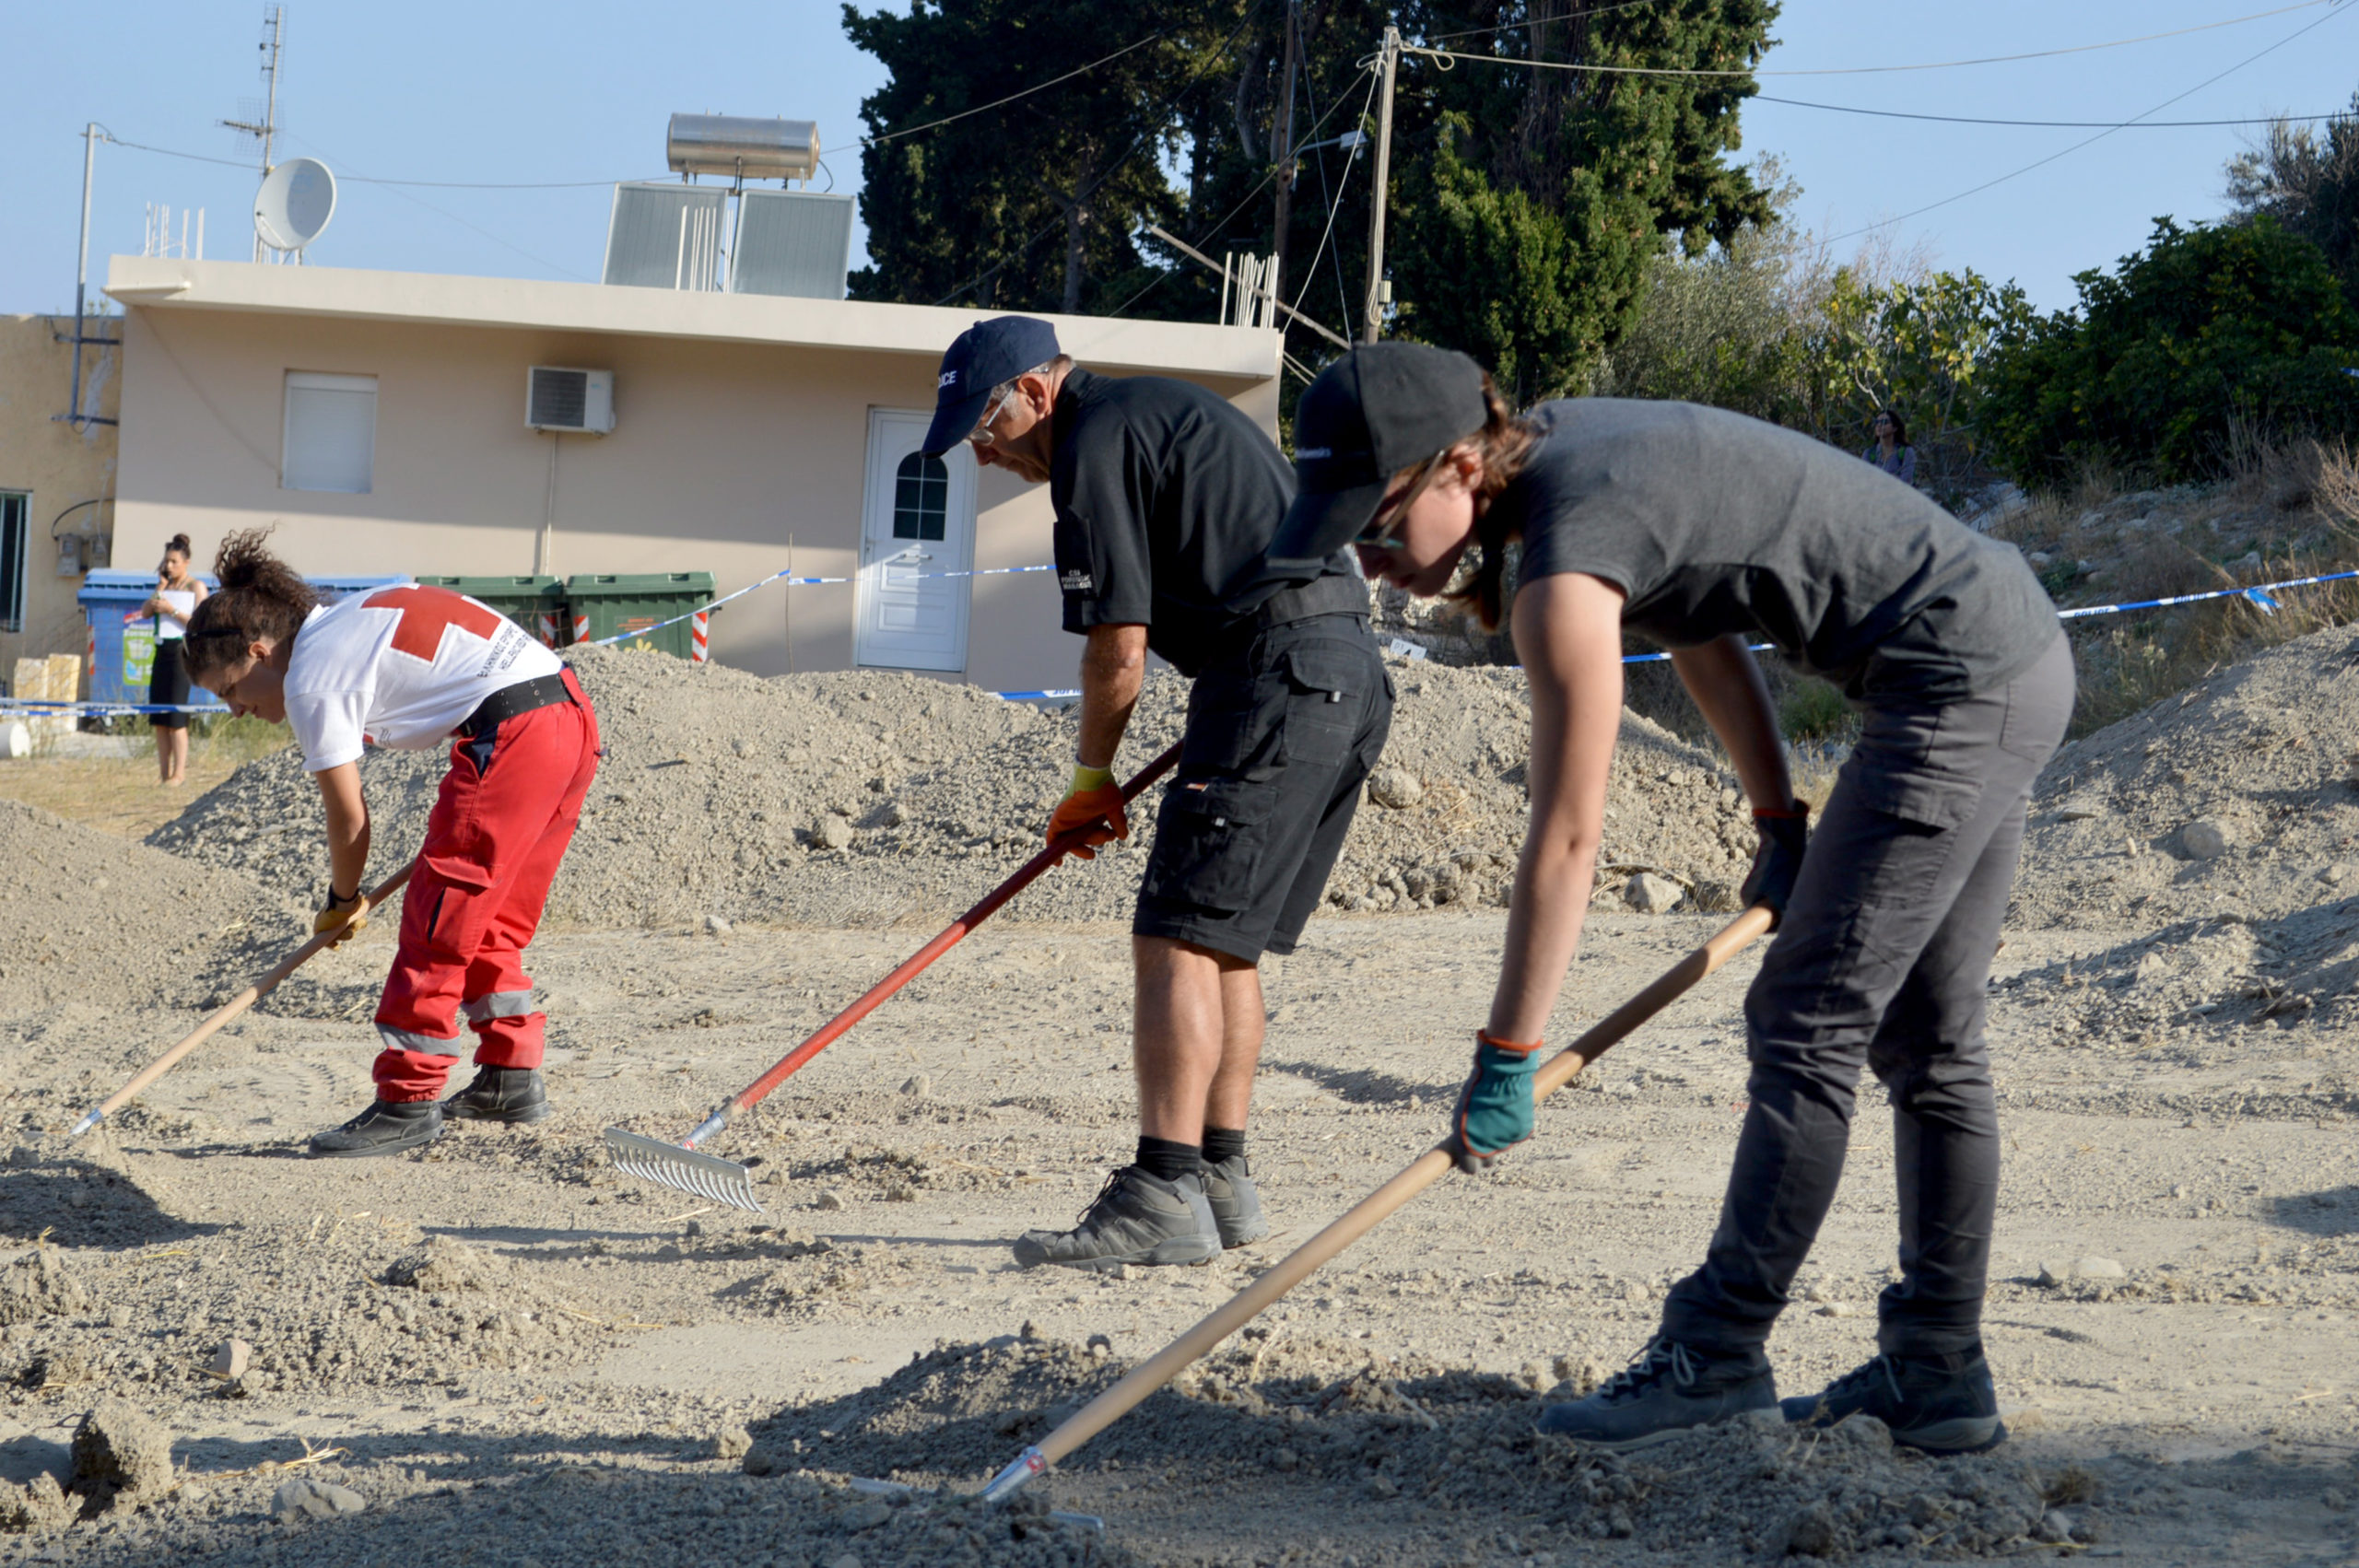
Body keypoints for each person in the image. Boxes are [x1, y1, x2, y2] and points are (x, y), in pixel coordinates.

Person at [1273, 344, 2071, 1455]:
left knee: (1806, 1023)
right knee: (1930, 1037)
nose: (1368, 562)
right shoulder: (1568, 462)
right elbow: (1699, 620)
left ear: (1458, 464)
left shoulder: (1565, 555)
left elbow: (1567, 833)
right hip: (2004, 649)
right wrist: (1775, 818)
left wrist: (1510, 1048)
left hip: (1951, 682)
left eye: (1376, 522)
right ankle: (1937, 1370)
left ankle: (1716, 1351)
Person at [920, 315, 1391, 1269]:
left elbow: (1117, 649)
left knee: (1174, 933)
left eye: (986, 426)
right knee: (1223, 944)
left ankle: (1163, 1188)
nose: (984, 452)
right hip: (1341, 669)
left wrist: (1090, 781)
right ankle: (1220, 1177)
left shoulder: (1094, 442)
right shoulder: (1148, 415)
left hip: (1277, 670)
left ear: (1036, 394)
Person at [178, 531, 601, 1157]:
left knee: (440, 918)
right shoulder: (352, 615)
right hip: (567, 716)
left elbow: (350, 821)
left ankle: (407, 1100)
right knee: (490, 920)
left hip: (514, 732)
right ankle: (510, 1077)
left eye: (230, 691)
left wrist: (341, 897)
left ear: (260, 651)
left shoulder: (310, 680)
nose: (238, 710)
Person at [139, 534, 208, 786]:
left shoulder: (195, 587)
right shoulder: (165, 588)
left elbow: (199, 623)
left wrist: (172, 610)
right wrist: (159, 589)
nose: (169, 566)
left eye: (174, 561)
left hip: (182, 653)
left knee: (176, 718)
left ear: (186, 562)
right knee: (159, 718)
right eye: (166, 561)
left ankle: (179, 774)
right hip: (161, 651)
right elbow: (145, 612)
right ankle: (164, 773)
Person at [1863, 408, 1916, 486]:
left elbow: (1906, 481)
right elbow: (1864, 480)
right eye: (1877, 422)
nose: (1879, 425)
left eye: (1885, 422)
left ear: (1895, 428)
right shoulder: (1868, 453)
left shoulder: (1906, 452)